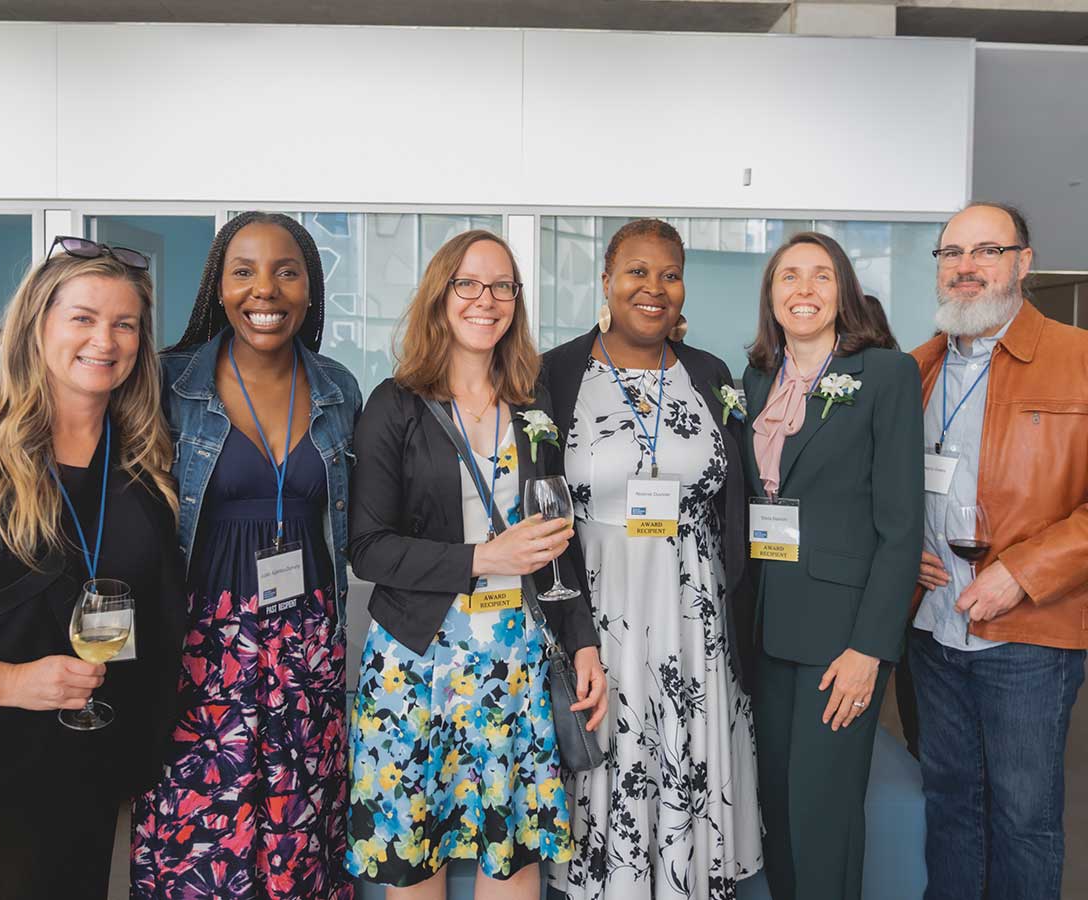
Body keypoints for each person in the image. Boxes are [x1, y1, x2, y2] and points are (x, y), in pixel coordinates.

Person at [0, 239, 186, 900]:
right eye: (82, 317)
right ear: (37, 327)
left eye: (124, 323)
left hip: (82, 782)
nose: (104, 339)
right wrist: (9, 683)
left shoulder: (144, 473)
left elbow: (155, 625)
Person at [345, 229, 607, 899]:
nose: (485, 300)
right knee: (414, 854)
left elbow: (558, 541)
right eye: (468, 283)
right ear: (440, 296)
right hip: (415, 663)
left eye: (501, 286)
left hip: (511, 662)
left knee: (512, 853)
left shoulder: (532, 406)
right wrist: (485, 557)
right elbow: (367, 547)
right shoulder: (394, 404)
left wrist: (582, 644)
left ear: (516, 302)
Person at [131, 212, 360, 899]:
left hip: (308, 643)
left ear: (311, 289)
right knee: (201, 837)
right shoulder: (168, 382)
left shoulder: (338, 389)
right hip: (201, 646)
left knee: (298, 832)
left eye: (287, 271)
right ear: (219, 287)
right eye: (244, 271)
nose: (267, 290)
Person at [542, 218, 762, 899]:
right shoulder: (556, 372)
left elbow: (736, 495)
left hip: (693, 612)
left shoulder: (709, 373)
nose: (654, 287)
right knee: (610, 758)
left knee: (686, 761)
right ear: (606, 281)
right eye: (637, 272)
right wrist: (568, 624)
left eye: (670, 273)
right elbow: (543, 503)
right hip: (602, 610)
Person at [908, 202, 1088, 900]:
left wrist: (1023, 571)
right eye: (952, 253)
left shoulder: (1078, 359)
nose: (966, 267)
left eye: (987, 251)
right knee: (950, 806)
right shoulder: (916, 367)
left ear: (1024, 261)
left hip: (1030, 636)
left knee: (1023, 818)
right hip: (934, 629)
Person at [740, 231, 923, 900]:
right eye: (790, 276)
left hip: (839, 640)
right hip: (764, 631)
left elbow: (902, 528)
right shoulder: (756, 378)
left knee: (823, 816)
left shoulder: (885, 375)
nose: (805, 289)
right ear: (772, 295)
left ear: (843, 291)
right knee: (778, 812)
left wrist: (870, 649)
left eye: (821, 276)